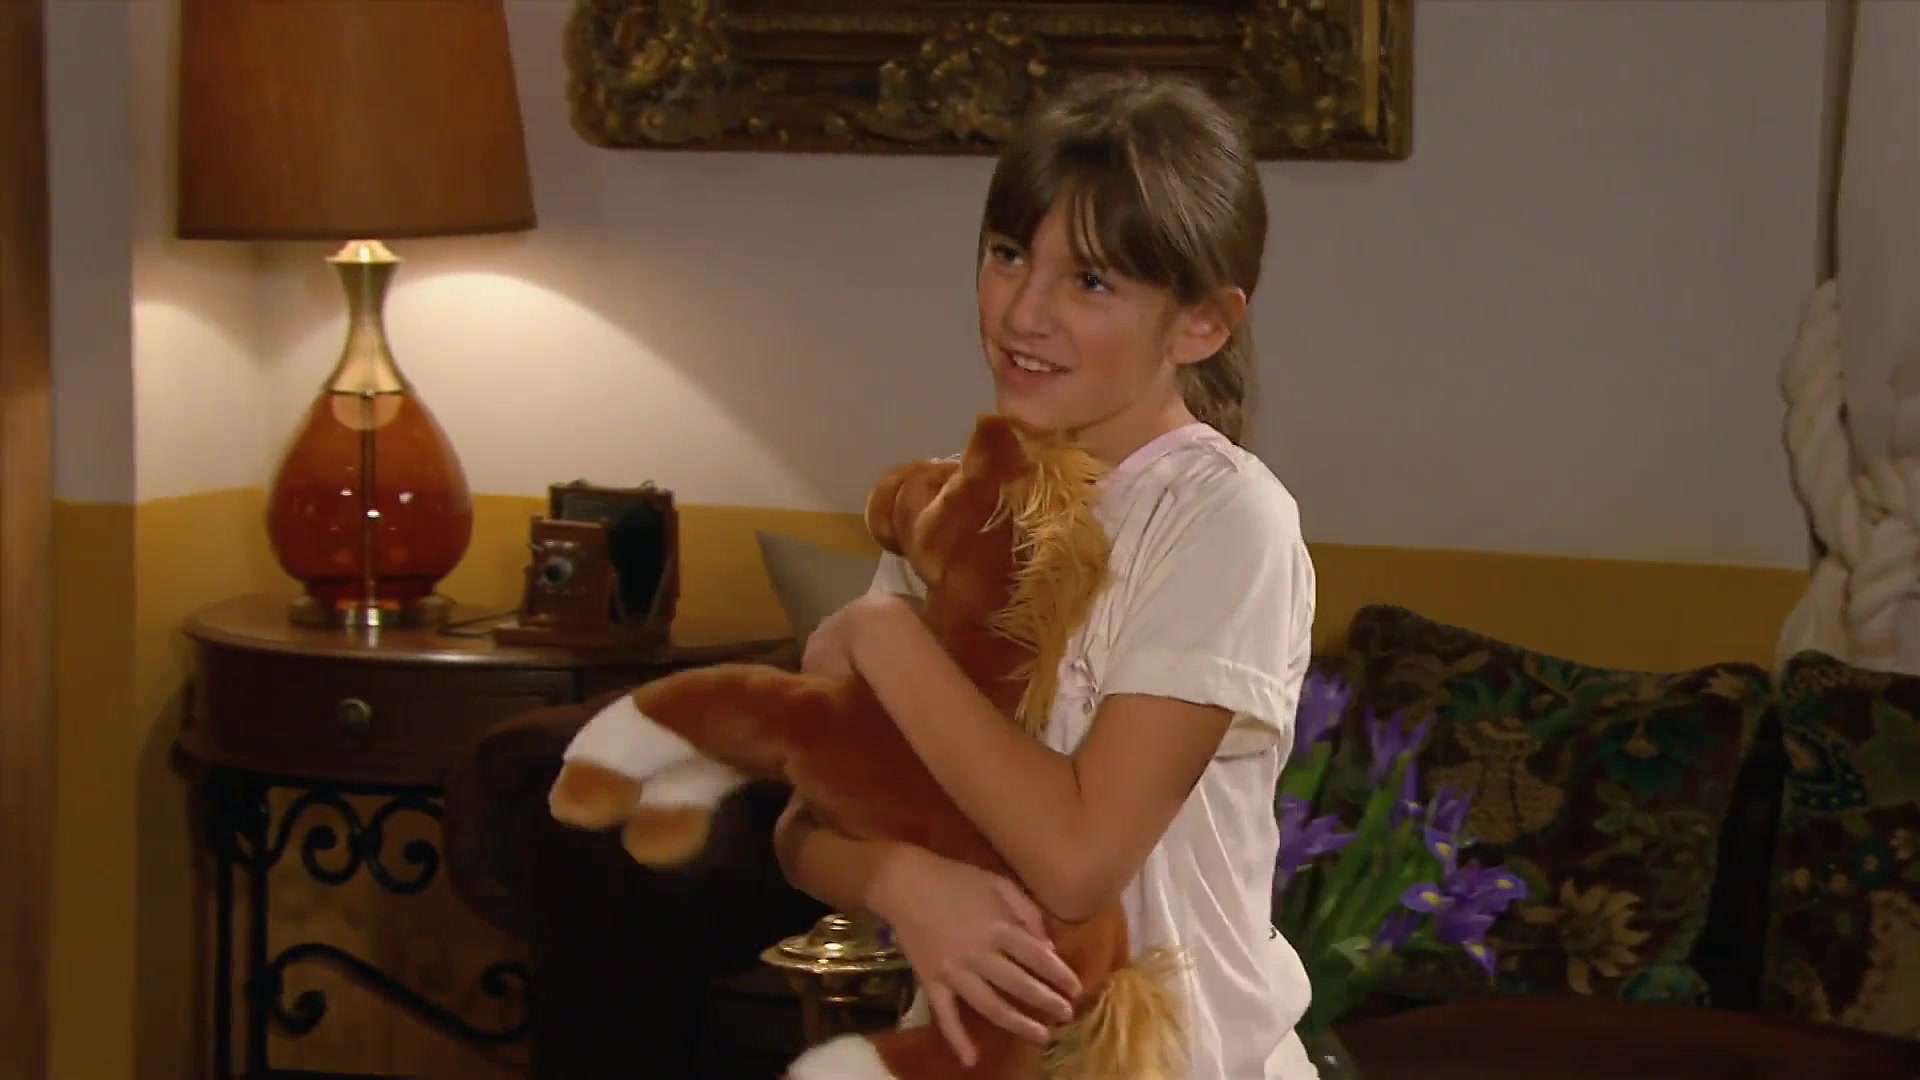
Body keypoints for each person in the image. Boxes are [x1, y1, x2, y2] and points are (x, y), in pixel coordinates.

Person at [773, 70, 1319, 1079]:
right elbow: (805, 827)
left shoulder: (1227, 521)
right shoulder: (965, 500)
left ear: (1201, 324)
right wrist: (903, 885)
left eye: (1092, 281)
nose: (1023, 312)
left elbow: (1077, 861)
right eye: (1009, 254)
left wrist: (878, 634)